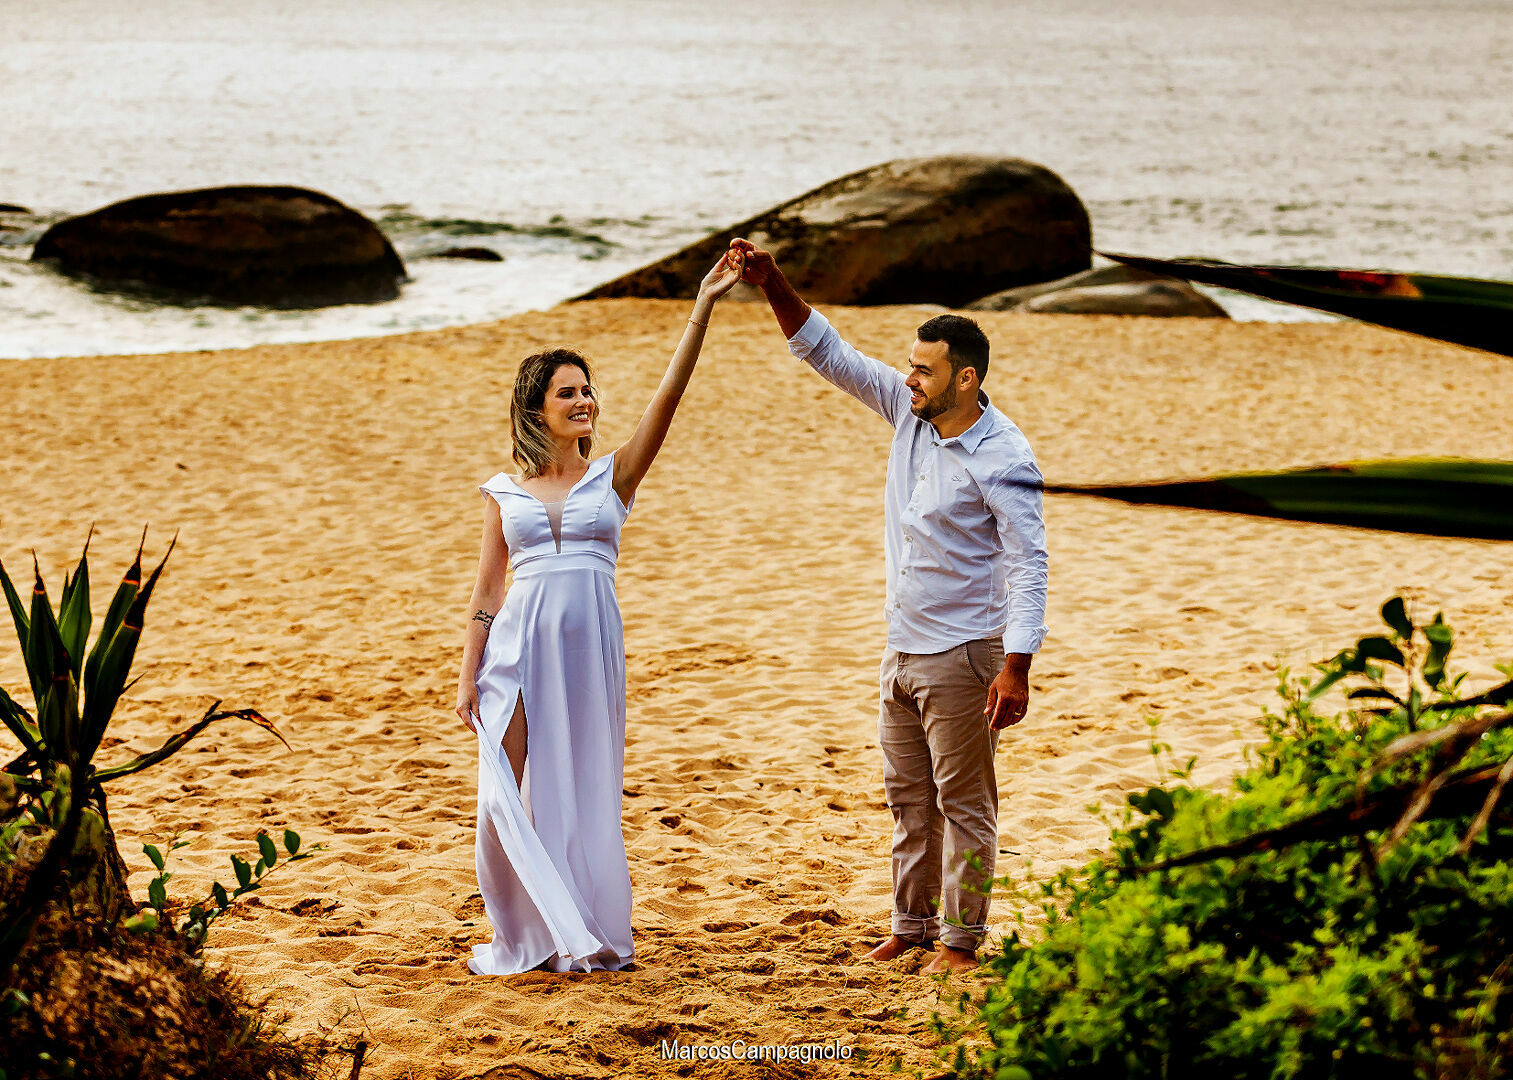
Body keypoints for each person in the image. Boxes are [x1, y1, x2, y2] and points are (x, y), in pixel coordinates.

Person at [729, 237, 1049, 975]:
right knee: (908, 801)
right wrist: (772, 280)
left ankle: (961, 945)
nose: (907, 377)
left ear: (964, 380)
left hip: (966, 654)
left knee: (964, 806)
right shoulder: (907, 413)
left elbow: (1031, 566)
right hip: (899, 649)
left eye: (923, 369)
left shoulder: (1006, 457)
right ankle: (910, 928)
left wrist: (1017, 666)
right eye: (907, 364)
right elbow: (826, 351)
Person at [455, 251, 743, 975]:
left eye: (587, 390)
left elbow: (667, 401)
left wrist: (702, 305)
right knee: (501, 793)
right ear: (536, 409)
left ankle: (581, 926)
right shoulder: (504, 492)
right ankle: (527, 929)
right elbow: (488, 592)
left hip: (588, 654)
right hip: (517, 650)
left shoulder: (613, 476)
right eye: (566, 393)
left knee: (581, 785)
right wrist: (467, 676)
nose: (583, 401)